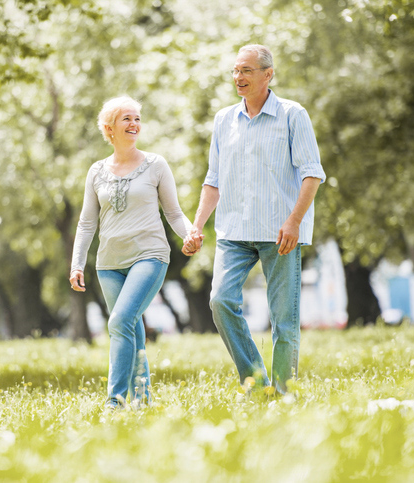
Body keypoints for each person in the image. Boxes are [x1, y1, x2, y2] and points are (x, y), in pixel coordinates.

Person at [183, 44, 326, 395]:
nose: (238, 77)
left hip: (280, 232)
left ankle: (283, 393)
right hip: (234, 231)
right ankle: (257, 381)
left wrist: (294, 221)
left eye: (247, 70)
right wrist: (197, 225)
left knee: (284, 322)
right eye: (235, 71)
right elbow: (213, 179)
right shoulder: (223, 120)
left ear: (268, 74)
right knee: (220, 301)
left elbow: (312, 174)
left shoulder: (293, 115)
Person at [70, 96, 193, 409]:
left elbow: (174, 213)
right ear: (109, 127)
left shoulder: (156, 165)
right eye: (127, 118)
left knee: (120, 320)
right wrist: (77, 264)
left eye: (137, 118)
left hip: (149, 255)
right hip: (109, 264)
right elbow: (86, 224)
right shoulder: (97, 171)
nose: (134, 124)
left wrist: (189, 233)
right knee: (130, 327)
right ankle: (142, 399)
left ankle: (116, 399)